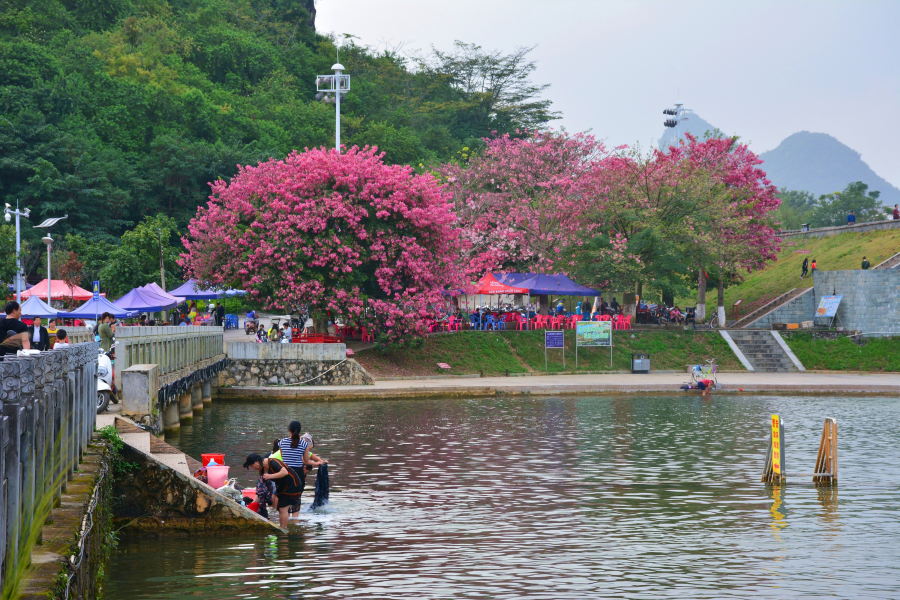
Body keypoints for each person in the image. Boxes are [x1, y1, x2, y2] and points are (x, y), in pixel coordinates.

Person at [243, 452, 303, 529]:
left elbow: (284, 472)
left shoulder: (273, 462)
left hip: (293, 485)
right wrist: (254, 503)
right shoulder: (262, 470)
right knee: (281, 508)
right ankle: (284, 527)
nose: (253, 468)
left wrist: (270, 476)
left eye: (252, 466)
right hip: (282, 487)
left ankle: (283, 529)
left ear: (257, 462)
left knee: (282, 508)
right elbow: (261, 489)